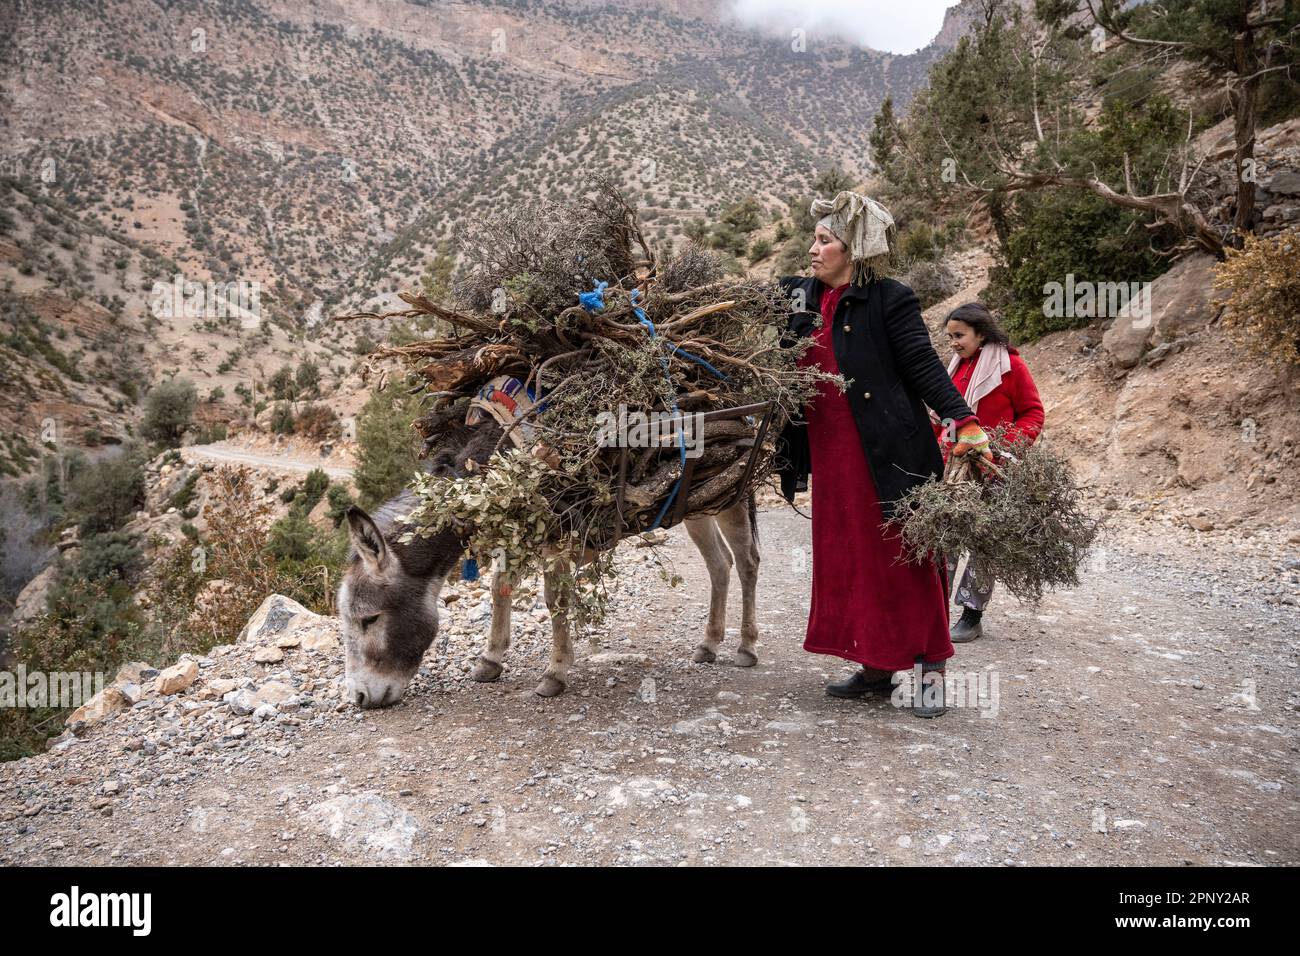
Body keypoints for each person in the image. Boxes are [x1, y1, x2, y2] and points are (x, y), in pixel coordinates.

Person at [776, 191, 993, 717]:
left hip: (890, 452)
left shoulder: (889, 298)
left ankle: (930, 673)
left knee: (906, 560)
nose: (813, 249)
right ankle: (876, 666)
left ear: (854, 250)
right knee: (850, 557)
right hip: (833, 456)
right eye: (814, 239)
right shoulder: (798, 297)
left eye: (825, 241)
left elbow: (923, 367)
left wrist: (962, 418)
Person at [936, 302, 1045, 643]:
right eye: (950, 336)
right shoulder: (955, 368)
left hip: (996, 467)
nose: (953, 342)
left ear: (981, 333)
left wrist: (1000, 447)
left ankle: (972, 615)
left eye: (959, 335)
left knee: (986, 542)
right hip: (954, 466)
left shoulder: (1011, 367)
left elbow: (1032, 413)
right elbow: (945, 416)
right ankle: (936, 611)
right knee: (944, 538)